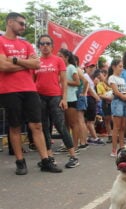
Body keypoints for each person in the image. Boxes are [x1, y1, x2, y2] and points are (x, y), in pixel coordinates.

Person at [0, 12, 62, 175]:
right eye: (21, 24)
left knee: (37, 125)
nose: (24, 27)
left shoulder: (26, 44)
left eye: (25, 24)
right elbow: (2, 66)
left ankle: (45, 161)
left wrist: (14, 60)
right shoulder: (1, 41)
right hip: (9, 90)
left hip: (30, 89)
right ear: (11, 22)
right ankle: (20, 162)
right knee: (15, 126)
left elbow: (36, 64)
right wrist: (25, 64)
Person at [34, 34, 78, 168]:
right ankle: (49, 157)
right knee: (45, 127)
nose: (45, 46)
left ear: (52, 46)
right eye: (42, 44)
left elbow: (64, 81)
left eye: (48, 43)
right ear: (39, 46)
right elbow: (32, 80)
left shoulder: (58, 60)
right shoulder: (36, 61)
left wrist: (64, 98)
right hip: (40, 97)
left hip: (55, 97)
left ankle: (73, 156)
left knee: (60, 126)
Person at [108, 58, 126, 157]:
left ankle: (122, 148)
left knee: (122, 127)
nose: (122, 69)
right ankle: (114, 150)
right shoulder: (112, 78)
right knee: (116, 127)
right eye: (120, 66)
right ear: (114, 67)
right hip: (118, 102)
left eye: (122, 67)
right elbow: (116, 92)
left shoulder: (122, 79)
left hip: (124, 102)